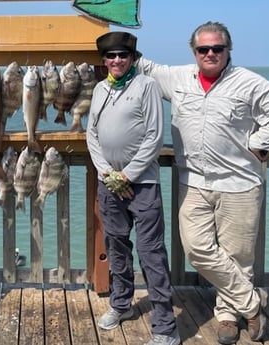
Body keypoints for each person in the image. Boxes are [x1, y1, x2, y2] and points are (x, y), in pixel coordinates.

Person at [135, 21, 269, 344]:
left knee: (238, 256)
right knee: (197, 249)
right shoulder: (178, 77)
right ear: (193, 51)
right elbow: (142, 64)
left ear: (228, 50)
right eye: (203, 49)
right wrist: (99, 38)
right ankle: (253, 305)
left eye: (217, 48)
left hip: (240, 183)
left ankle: (228, 316)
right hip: (193, 181)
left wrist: (261, 142)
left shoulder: (248, 82)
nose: (210, 54)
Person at [86, 31, 181, 345]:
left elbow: (154, 137)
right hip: (108, 185)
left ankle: (165, 326)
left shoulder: (146, 86)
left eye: (122, 56)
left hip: (143, 185)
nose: (116, 61)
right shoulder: (100, 89)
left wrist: (127, 175)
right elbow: (92, 136)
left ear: (132, 59)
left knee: (151, 253)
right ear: (104, 61)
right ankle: (121, 304)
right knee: (116, 249)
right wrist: (107, 173)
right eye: (111, 56)